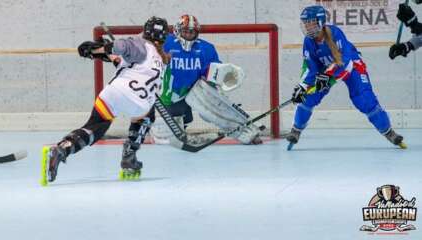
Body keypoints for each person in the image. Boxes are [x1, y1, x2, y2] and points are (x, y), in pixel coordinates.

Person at [45, 16, 169, 182]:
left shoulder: (140, 43)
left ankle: (61, 149)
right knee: (148, 114)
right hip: (141, 103)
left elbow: (119, 47)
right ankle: (129, 156)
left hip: (115, 92)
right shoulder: (163, 60)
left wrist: (95, 51)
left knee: (95, 128)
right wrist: (105, 52)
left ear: (145, 31)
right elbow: (122, 60)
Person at [286, 5, 406, 150]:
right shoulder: (308, 42)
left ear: (320, 21)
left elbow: (345, 63)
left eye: (310, 22)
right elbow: (310, 68)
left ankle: (389, 132)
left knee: (364, 99)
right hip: (327, 71)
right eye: (305, 22)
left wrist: (328, 76)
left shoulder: (336, 33)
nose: (307, 26)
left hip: (351, 65)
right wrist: (303, 87)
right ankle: (296, 130)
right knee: (308, 97)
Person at [157, 14, 263, 145]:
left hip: (196, 89)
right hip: (172, 92)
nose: (189, 35)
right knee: (171, 135)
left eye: (192, 32)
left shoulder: (206, 48)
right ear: (178, 30)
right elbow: (146, 45)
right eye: (185, 31)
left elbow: (213, 72)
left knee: (218, 109)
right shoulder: (166, 43)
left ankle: (246, 131)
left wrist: (220, 78)